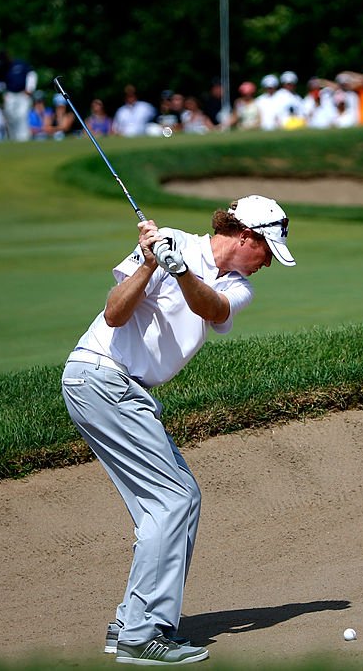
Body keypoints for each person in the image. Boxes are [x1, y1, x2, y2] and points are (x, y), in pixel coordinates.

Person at [60, 194, 296, 666]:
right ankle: (143, 633)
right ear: (246, 236)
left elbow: (213, 309)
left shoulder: (237, 284)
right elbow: (113, 314)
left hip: (120, 389)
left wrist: (182, 271)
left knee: (166, 503)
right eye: (266, 250)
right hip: (102, 378)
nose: (267, 262)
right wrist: (150, 264)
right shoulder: (173, 244)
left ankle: (130, 625)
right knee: (175, 499)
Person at [0, 51, 38, 141]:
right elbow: (0, 82)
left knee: (22, 115)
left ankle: (23, 139)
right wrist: (3, 93)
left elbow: (31, 75)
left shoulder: (20, 64)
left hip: (22, 94)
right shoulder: (3, 67)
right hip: (10, 95)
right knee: (10, 115)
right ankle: (13, 138)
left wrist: (30, 89)